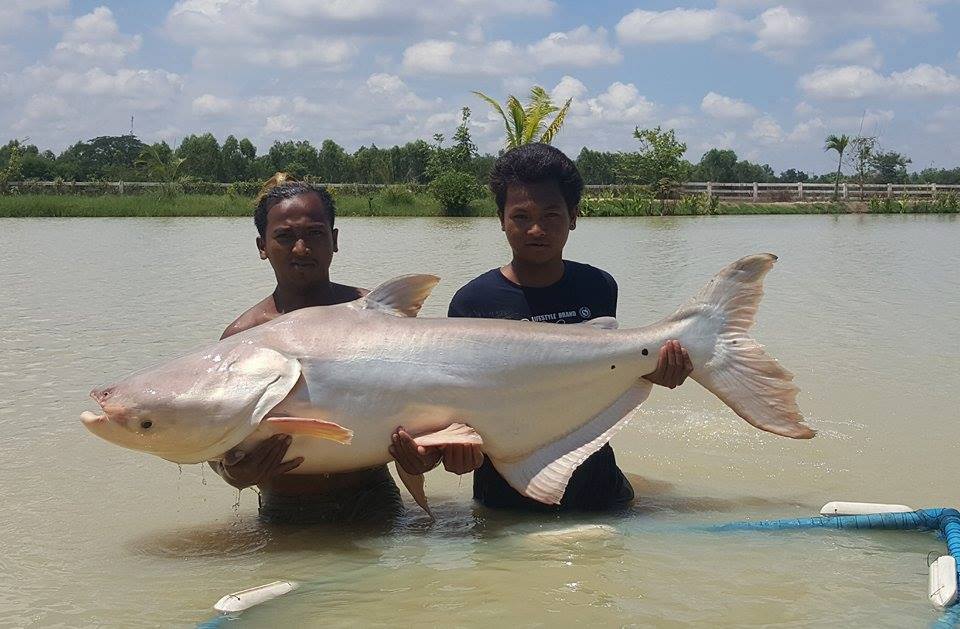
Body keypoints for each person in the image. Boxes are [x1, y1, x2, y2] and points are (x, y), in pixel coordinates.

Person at [398, 143, 694, 511]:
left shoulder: (598, 286)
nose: (536, 229)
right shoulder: (472, 302)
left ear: (573, 216)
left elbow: (600, 377)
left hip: (600, 491)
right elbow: (459, 405)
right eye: (521, 216)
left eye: (551, 215)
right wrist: (452, 451)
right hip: (505, 502)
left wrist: (654, 372)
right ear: (500, 218)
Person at [211, 176, 408, 524]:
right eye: (285, 237)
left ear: (334, 240)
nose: (301, 249)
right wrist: (233, 473)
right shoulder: (243, 336)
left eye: (315, 234)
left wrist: (422, 452)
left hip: (373, 498)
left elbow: (417, 398)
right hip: (286, 506)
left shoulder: (375, 315)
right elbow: (213, 434)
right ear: (262, 246)